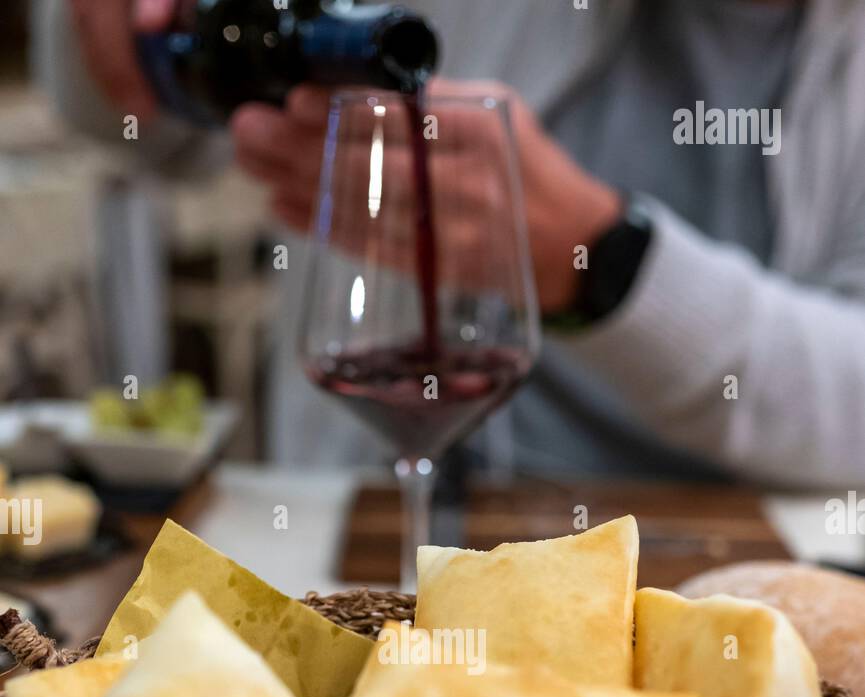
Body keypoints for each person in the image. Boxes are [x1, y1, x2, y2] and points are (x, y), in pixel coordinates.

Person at [35, 0, 865, 487]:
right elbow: (153, 133)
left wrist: (598, 262)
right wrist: (98, 31)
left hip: (710, 565)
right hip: (356, 527)